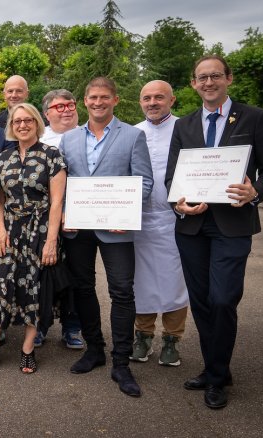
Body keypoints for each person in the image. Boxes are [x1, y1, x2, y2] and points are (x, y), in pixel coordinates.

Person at [166, 55, 263, 409]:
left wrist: (256, 192)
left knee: (222, 299)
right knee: (202, 303)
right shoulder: (183, 125)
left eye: (215, 76)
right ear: (193, 84)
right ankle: (216, 368)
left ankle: (217, 378)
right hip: (192, 226)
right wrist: (178, 203)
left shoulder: (253, 117)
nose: (208, 83)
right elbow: (173, 178)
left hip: (232, 226)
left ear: (228, 79)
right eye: (201, 78)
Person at [58, 77, 153, 397]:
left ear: (115, 100)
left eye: (104, 97)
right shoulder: (68, 139)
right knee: (82, 288)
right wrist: (65, 215)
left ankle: (121, 362)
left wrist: (122, 212)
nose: (98, 102)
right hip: (79, 228)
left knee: (123, 291)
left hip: (118, 228)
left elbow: (145, 182)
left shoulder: (133, 136)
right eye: (93, 97)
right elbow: (61, 184)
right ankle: (95, 349)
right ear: (85, 101)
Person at [0, 103, 66, 374]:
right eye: (17, 121)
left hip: (40, 228)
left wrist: (51, 240)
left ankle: (28, 348)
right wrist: (1, 230)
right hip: (9, 229)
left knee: (35, 288)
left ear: (37, 123)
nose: (22, 125)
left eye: (28, 120)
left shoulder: (52, 155)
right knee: (0, 283)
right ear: (11, 125)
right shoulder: (3, 158)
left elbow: (56, 203)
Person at [130, 81, 189, 366]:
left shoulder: (186, 129)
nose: (153, 102)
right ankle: (142, 335)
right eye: (147, 98)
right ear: (140, 102)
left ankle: (172, 340)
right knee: (140, 281)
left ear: (172, 100)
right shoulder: (132, 132)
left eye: (159, 97)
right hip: (138, 220)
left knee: (175, 281)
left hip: (175, 219)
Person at [37, 89, 84, 350]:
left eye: (70, 104)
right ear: (47, 113)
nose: (66, 110)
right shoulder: (39, 138)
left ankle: (73, 327)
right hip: (45, 217)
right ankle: (41, 326)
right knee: (44, 274)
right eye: (58, 107)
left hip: (81, 216)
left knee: (75, 275)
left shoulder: (89, 134)